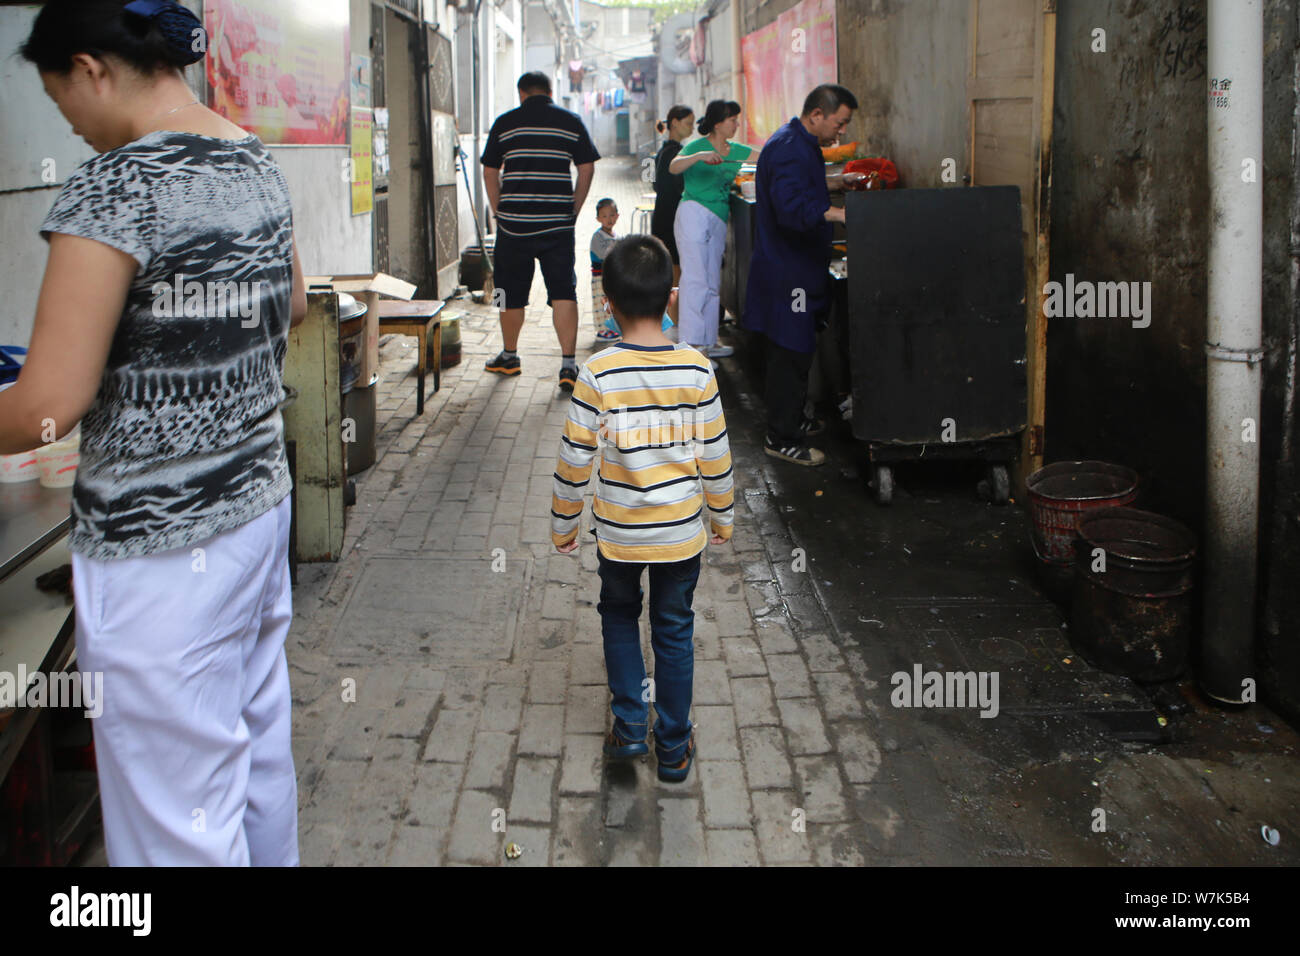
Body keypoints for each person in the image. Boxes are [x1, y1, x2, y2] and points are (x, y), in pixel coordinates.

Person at [0, 0, 307, 865]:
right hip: (253, 515)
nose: (76, 126)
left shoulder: (117, 184)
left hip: (157, 553)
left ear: (92, 68)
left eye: (65, 104)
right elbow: (291, 302)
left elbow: (44, 407)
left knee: (175, 821)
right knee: (253, 765)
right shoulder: (250, 156)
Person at [550, 235, 734, 782]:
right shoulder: (697, 370)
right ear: (670, 295)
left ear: (608, 303)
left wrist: (564, 524)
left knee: (619, 616)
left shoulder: (597, 374)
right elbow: (717, 456)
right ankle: (674, 748)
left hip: (620, 536)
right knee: (674, 629)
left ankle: (630, 727)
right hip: (680, 533)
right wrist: (722, 515)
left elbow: (574, 458)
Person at [742, 84, 858, 467]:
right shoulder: (791, 147)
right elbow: (791, 207)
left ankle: (794, 419)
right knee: (789, 354)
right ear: (816, 115)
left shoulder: (798, 142)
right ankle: (781, 437)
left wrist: (837, 184)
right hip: (788, 272)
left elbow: (802, 185)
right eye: (839, 123)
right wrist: (841, 215)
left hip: (798, 268)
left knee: (798, 349)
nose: (841, 132)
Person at [481, 71, 599, 392]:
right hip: (557, 225)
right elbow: (587, 167)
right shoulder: (571, 121)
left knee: (506, 291)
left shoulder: (505, 123)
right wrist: (573, 208)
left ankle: (509, 356)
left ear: (522, 94)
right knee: (564, 290)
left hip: (513, 227)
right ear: (550, 92)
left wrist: (497, 211)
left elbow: (490, 171)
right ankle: (568, 365)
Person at [669, 100, 762, 365]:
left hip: (719, 217)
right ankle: (691, 348)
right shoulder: (697, 147)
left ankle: (707, 342)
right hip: (693, 213)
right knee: (696, 280)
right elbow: (673, 166)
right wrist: (699, 157)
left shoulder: (736, 150)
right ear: (718, 123)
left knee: (712, 282)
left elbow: (764, 156)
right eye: (732, 119)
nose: (736, 124)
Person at [650, 105, 694, 325]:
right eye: (688, 123)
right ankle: (676, 328)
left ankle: (673, 325)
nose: (691, 128)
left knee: (672, 276)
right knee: (675, 277)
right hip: (670, 220)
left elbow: (656, 186)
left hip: (663, 218)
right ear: (674, 123)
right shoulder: (674, 154)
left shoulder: (665, 151)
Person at [590, 197, 620, 341]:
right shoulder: (597, 237)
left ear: (617, 216)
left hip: (611, 277)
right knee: (600, 303)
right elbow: (605, 255)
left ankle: (610, 327)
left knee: (611, 302)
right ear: (598, 218)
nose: (609, 219)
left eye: (612, 215)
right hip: (599, 277)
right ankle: (602, 330)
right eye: (604, 216)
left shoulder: (616, 236)